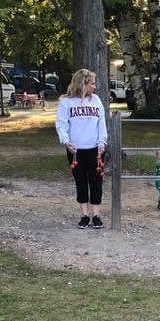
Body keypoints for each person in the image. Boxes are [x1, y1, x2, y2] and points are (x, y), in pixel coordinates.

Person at [55, 68, 108, 228]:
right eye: (92, 83)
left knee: (96, 182)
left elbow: (101, 124)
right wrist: (65, 141)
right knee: (81, 182)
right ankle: (84, 215)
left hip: (95, 149)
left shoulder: (96, 100)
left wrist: (102, 143)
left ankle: (96, 215)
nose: (94, 86)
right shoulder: (66, 102)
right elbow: (61, 124)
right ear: (83, 84)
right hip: (76, 151)